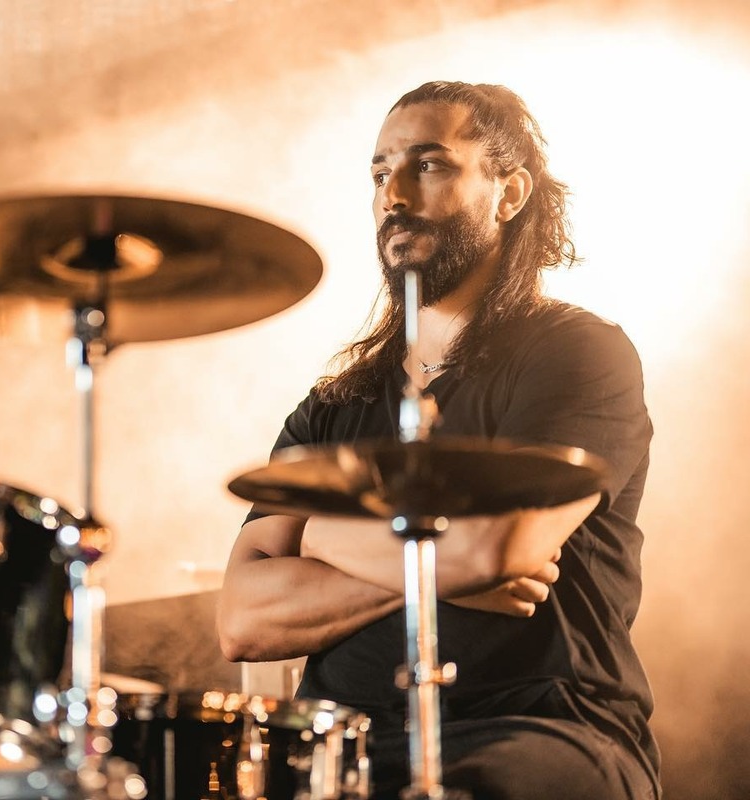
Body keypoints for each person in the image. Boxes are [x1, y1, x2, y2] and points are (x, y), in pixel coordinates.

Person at [217, 81, 659, 800]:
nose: (393, 194)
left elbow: (497, 549)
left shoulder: (576, 353)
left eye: (428, 165)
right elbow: (242, 618)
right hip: (343, 745)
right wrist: (435, 563)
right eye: (380, 173)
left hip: (538, 729)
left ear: (509, 193)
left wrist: (320, 539)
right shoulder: (332, 408)